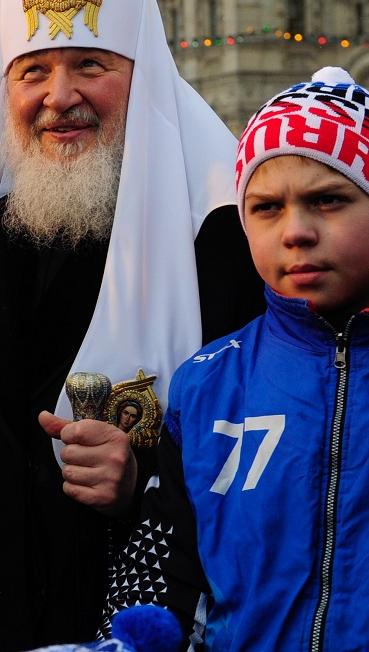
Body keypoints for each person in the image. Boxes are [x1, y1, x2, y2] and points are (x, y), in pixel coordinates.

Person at [0, 0, 265, 649]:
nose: (60, 96)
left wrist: (141, 478)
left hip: (122, 612)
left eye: (90, 63)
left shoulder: (218, 229)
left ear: (142, 71)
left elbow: (253, 442)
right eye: (33, 71)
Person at [103, 67, 369, 649]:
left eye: (329, 200)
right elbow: (164, 572)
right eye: (267, 207)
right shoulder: (207, 384)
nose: (296, 231)